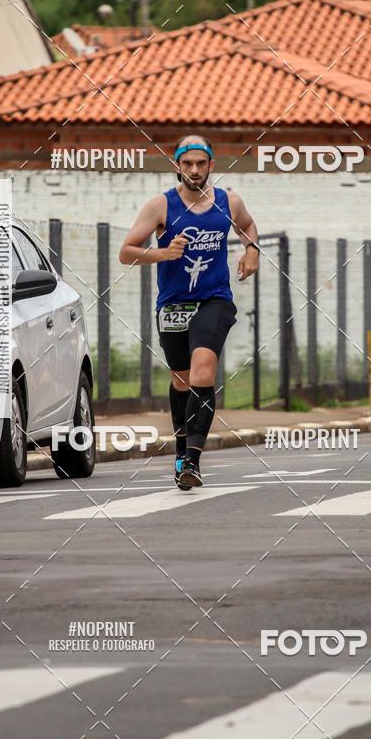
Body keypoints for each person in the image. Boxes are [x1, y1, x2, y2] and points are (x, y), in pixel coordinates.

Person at [119, 135, 260, 489]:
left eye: (201, 163)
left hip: (215, 300)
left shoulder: (229, 201)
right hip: (173, 304)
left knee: (201, 369)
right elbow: (126, 251)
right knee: (181, 379)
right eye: (187, 164)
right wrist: (162, 253)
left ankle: (193, 462)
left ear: (211, 165)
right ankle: (182, 452)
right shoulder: (160, 207)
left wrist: (252, 250)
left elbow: (247, 225)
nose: (194, 170)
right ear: (177, 166)